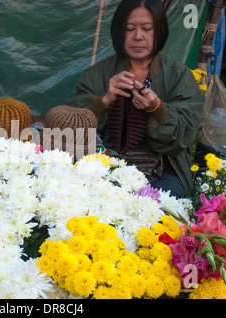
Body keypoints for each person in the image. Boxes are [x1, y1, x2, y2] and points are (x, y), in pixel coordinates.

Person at [67, 0, 205, 198]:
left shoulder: (178, 76)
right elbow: (73, 122)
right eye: (129, 29)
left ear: (159, 33)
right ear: (118, 33)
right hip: (104, 163)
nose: (138, 36)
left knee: (162, 203)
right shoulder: (98, 74)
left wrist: (157, 108)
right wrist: (105, 100)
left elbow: (184, 135)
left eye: (147, 29)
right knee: (85, 197)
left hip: (162, 168)